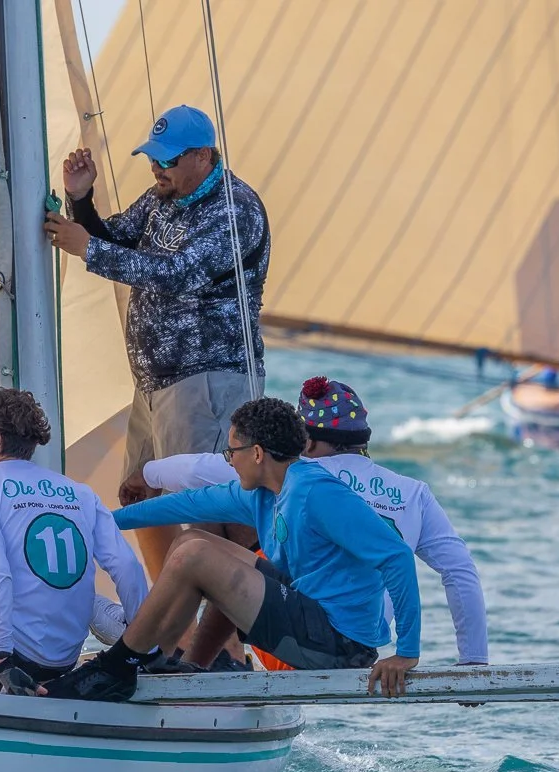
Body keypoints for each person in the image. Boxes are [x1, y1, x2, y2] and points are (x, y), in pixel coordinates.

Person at [47, 397, 422, 702]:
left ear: (257, 453)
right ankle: (158, 660)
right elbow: (182, 506)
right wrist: (96, 523)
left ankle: (117, 666)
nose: (230, 460)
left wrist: (406, 652)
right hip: (311, 615)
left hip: (340, 646)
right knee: (191, 542)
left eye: (232, 452)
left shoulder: (318, 492)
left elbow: (397, 557)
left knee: (193, 557)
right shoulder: (262, 493)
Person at [42, 105, 270, 579]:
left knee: (208, 514)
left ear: (202, 157)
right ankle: (173, 626)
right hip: (155, 385)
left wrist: (86, 247)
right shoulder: (163, 197)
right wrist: (80, 201)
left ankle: (224, 640)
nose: (156, 168)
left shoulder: (235, 209)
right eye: (153, 158)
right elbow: (117, 239)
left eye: (167, 160)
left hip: (207, 380)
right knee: (141, 497)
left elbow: (177, 274)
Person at [141, 376, 489, 667]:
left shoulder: (289, 471)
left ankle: (192, 667)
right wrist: (473, 660)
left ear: (303, 439)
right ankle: (200, 666)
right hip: (365, 641)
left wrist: (145, 474)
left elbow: (193, 470)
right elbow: (460, 573)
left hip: (302, 638)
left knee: (231, 561)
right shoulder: (415, 493)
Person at [0, 383, 149, 690]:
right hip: (65, 657)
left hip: (13, 654)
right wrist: (143, 647)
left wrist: (3, 658)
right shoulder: (81, 492)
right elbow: (126, 566)